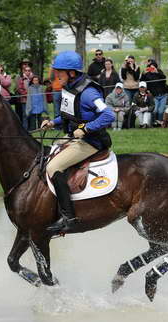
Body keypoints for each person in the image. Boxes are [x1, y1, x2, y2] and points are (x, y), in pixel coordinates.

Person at [40, 51, 115, 234]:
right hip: (75, 137)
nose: (56, 76)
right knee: (47, 154)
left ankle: (69, 218)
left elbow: (109, 114)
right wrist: (53, 122)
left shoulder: (89, 93)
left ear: (72, 73)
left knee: (53, 167)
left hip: (90, 141)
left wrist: (87, 128)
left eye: (60, 72)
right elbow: (68, 114)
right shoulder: (70, 87)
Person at [140, 59, 168, 125]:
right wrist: (143, 74)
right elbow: (142, 82)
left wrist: (157, 72)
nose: (152, 68)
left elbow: (164, 80)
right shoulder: (147, 74)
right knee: (155, 110)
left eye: (153, 67)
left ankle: (160, 123)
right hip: (154, 96)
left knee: (160, 111)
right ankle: (154, 122)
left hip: (163, 95)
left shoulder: (159, 72)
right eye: (150, 67)